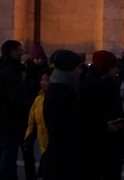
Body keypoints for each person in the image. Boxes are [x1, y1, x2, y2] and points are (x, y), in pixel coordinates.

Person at [80, 50, 124, 179]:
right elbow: (85, 118)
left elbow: (119, 112)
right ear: (105, 67)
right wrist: (104, 126)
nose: (117, 70)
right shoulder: (88, 88)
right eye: (114, 67)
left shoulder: (112, 83)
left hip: (114, 146)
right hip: (98, 148)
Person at [0, 39, 28, 180]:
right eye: (19, 49)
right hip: (10, 119)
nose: (22, 52)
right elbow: (16, 97)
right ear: (12, 51)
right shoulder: (12, 71)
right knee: (8, 154)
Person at [41, 50, 82, 180]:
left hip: (63, 157)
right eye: (77, 67)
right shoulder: (60, 94)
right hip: (62, 159)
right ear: (69, 70)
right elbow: (61, 129)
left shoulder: (63, 90)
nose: (80, 71)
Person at [22, 69, 51, 180]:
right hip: (43, 144)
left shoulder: (54, 99)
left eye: (46, 80)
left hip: (53, 145)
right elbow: (31, 122)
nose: (43, 83)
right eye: (42, 80)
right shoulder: (38, 99)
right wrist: (27, 138)